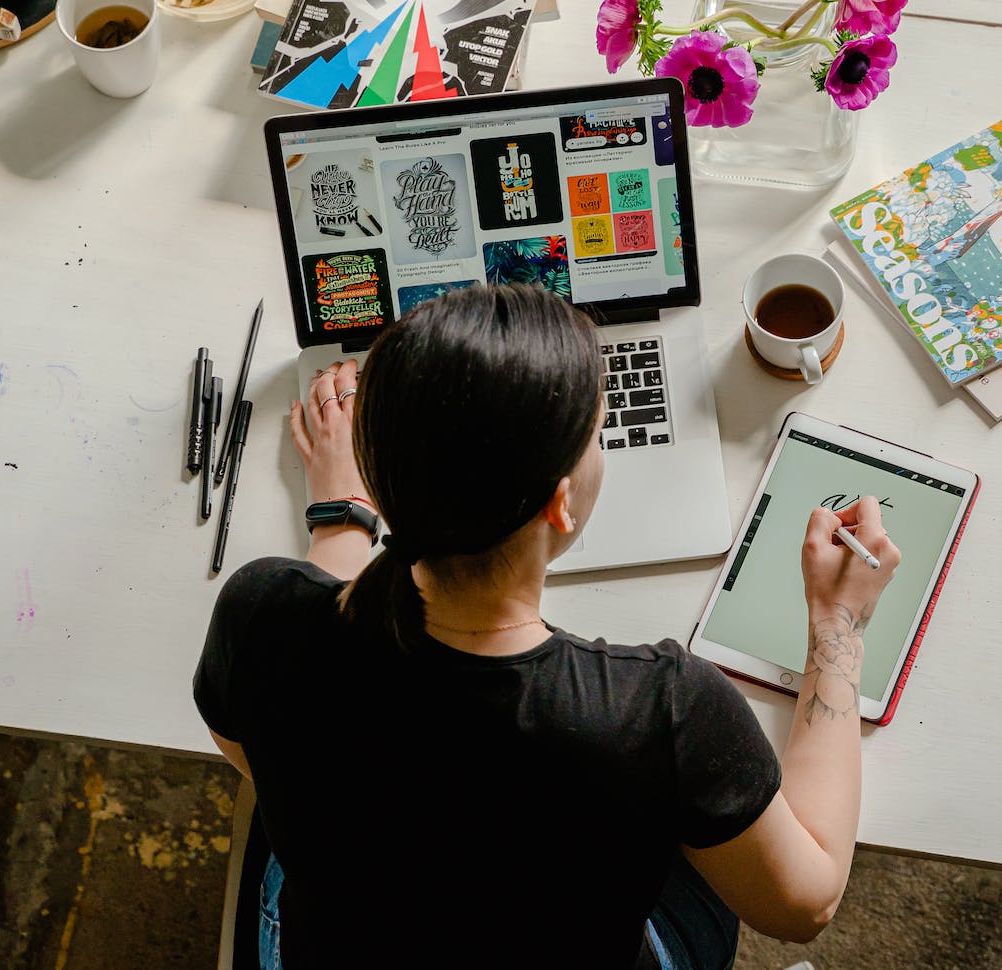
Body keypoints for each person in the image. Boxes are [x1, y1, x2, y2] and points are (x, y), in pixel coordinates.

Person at [194, 284, 901, 969]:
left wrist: (341, 511)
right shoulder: (659, 711)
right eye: (598, 435)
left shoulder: (260, 612)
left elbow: (251, 749)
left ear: (382, 475)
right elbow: (804, 906)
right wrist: (838, 624)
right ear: (560, 505)